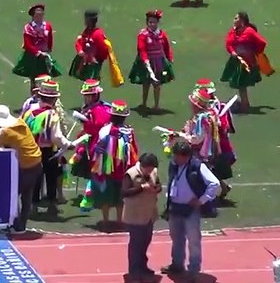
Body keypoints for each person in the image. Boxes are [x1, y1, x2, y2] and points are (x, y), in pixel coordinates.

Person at [0, 105, 43, 234]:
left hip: (24, 167)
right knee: (26, 195)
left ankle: (10, 223)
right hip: (36, 163)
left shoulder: (5, 132)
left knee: (11, 195)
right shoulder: (20, 122)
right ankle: (21, 226)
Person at [162, 139, 221, 279]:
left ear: (187, 156)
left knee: (193, 241)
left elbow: (215, 184)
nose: (175, 158)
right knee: (176, 238)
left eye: (178, 156)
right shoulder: (173, 164)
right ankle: (177, 265)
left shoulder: (197, 166)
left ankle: (194, 271)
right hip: (175, 206)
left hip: (190, 209)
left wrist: (201, 200)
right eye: (174, 155)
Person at [88, 101, 139, 228]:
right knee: (121, 195)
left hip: (106, 168)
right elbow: (133, 150)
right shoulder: (129, 131)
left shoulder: (104, 130)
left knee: (106, 193)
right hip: (123, 168)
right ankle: (120, 220)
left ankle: (105, 221)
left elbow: (97, 148)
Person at [120, 152, 161, 283]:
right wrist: (142, 188)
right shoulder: (130, 174)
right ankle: (134, 271)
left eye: (152, 168)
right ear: (142, 165)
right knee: (136, 244)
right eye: (148, 168)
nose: (150, 171)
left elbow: (158, 185)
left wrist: (156, 189)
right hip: (135, 215)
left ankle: (143, 267)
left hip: (149, 214)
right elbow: (124, 192)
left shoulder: (154, 171)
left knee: (145, 242)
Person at [222, 10, 269, 111]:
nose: (234, 20)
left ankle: (245, 104)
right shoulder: (233, 31)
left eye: (236, 18)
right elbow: (228, 43)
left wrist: (255, 52)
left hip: (247, 62)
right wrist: (232, 52)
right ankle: (244, 103)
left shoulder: (249, 31)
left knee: (241, 83)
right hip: (237, 61)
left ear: (242, 20)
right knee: (239, 83)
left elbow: (262, 42)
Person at [129, 11, 174, 110]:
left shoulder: (162, 34)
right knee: (146, 83)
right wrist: (146, 62)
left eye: (154, 22)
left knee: (157, 84)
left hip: (158, 62)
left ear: (158, 23)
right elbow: (142, 50)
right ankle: (144, 103)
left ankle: (156, 105)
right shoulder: (143, 35)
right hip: (147, 62)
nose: (152, 24)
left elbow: (166, 47)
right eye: (150, 22)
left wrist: (169, 59)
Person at [13, 4, 62, 80]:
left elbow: (50, 39)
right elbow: (27, 44)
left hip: (44, 54)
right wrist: (38, 53)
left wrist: (48, 50)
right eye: (38, 13)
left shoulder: (47, 26)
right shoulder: (28, 28)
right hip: (32, 56)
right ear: (33, 15)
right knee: (33, 76)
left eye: (41, 13)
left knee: (46, 76)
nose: (40, 14)